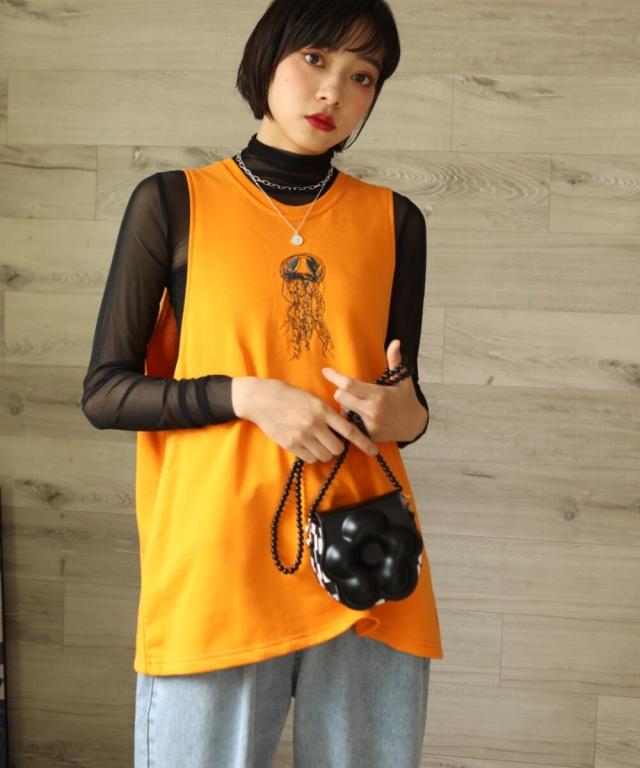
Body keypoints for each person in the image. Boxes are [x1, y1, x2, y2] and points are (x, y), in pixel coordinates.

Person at [81, 0, 443, 765]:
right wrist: (246, 395)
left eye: (362, 76)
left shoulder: (395, 220)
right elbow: (106, 391)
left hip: (365, 558)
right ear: (268, 55)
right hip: (220, 563)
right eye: (315, 59)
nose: (333, 91)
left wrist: (406, 413)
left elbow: (402, 398)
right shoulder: (172, 202)